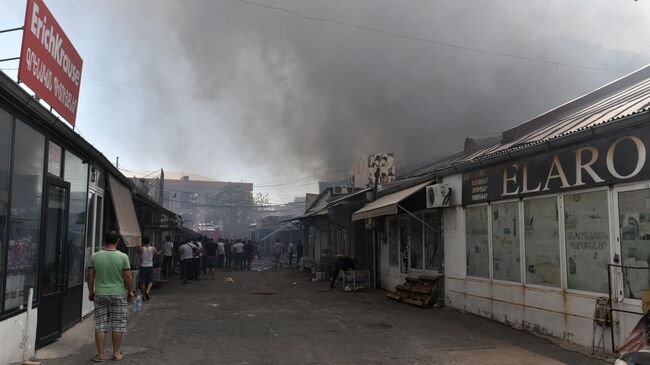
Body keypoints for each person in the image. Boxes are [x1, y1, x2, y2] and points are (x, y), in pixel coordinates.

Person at [87, 231, 134, 362]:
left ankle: (100, 354)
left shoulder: (95, 256)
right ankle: (116, 353)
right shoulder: (123, 256)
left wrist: (91, 291)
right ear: (117, 241)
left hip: (100, 294)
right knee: (118, 325)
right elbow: (128, 276)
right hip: (118, 294)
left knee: (100, 325)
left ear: (105, 241)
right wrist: (130, 291)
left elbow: (90, 275)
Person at [137, 236, 162, 301]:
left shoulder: (141, 248)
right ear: (149, 241)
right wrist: (162, 251)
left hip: (143, 266)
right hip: (150, 266)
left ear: (143, 242)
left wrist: (138, 247)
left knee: (142, 282)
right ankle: (147, 292)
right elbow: (157, 254)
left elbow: (138, 253)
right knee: (151, 281)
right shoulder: (153, 248)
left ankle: (143, 295)